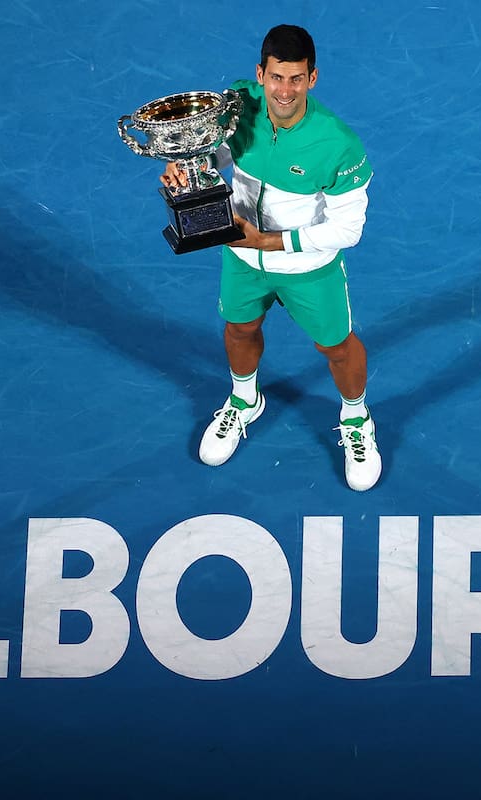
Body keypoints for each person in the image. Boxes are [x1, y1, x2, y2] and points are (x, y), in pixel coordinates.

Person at [161, 24, 380, 491]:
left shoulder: (338, 144)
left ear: (312, 78)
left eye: (297, 79)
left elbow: (348, 229)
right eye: (277, 77)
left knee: (336, 348)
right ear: (260, 74)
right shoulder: (239, 105)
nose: (285, 91)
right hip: (242, 259)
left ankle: (356, 418)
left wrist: (268, 242)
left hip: (308, 268)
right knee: (239, 329)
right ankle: (245, 400)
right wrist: (189, 166)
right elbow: (218, 153)